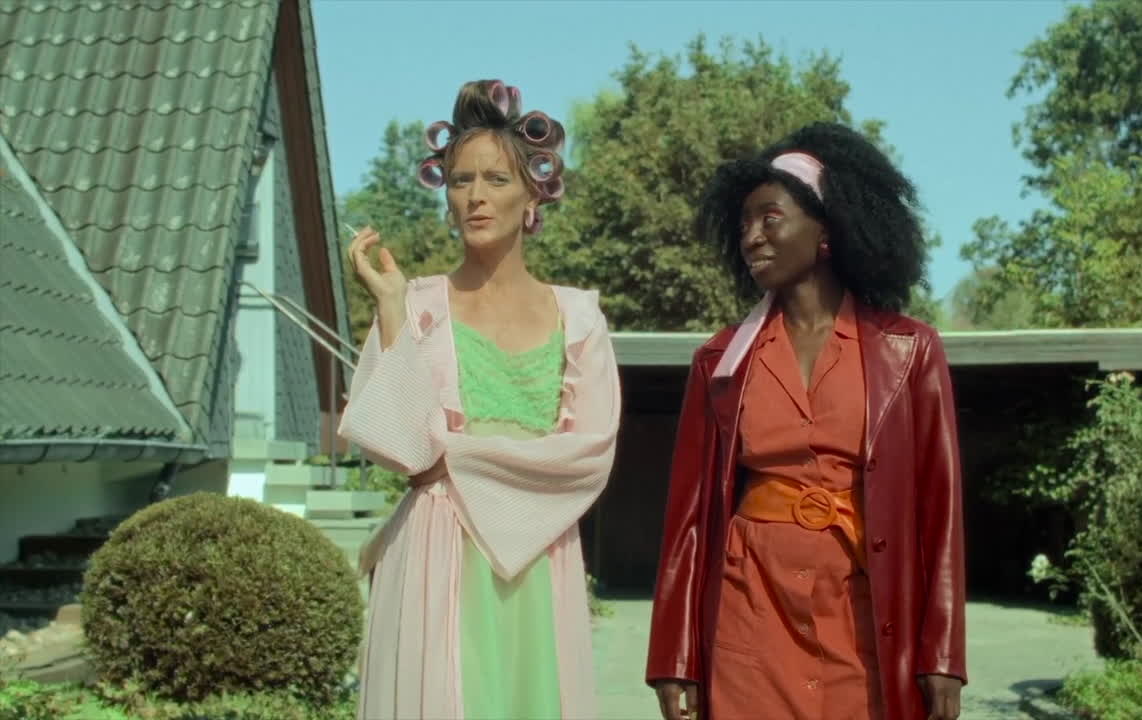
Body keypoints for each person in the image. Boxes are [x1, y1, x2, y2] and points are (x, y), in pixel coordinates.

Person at [646, 122, 966, 720]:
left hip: (863, 619)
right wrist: (675, 657)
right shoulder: (719, 361)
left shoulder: (910, 351)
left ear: (826, 229)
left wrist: (943, 654)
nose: (752, 237)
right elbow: (687, 520)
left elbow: (939, 509)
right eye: (744, 224)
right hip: (747, 615)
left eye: (770, 218)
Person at [338, 79, 620, 720]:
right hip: (435, 550)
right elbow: (406, 452)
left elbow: (589, 454)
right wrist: (389, 307)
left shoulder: (578, 317)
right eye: (461, 180)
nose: (475, 196)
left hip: (538, 553)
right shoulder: (414, 303)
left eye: (496, 179)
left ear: (533, 194)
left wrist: (456, 458)